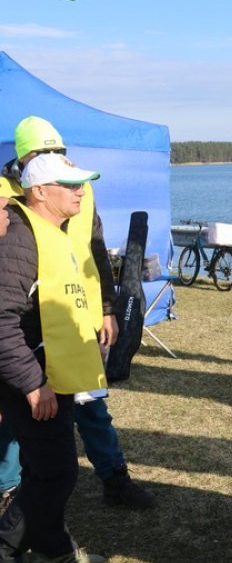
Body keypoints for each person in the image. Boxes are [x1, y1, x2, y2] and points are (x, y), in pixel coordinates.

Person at [0, 116, 156, 511]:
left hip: (77, 317)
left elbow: (95, 250)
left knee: (90, 404)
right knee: (19, 411)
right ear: (24, 157)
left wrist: (107, 308)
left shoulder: (78, 189)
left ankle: (113, 477)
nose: (56, 157)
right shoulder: (5, 196)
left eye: (60, 151)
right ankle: (14, 490)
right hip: (29, 328)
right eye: (45, 152)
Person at [0, 152, 111, 563]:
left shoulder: (54, 231)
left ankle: (51, 549)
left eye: (81, 183)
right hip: (30, 377)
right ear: (40, 191)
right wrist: (32, 383)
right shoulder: (21, 238)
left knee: (47, 467)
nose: (80, 191)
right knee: (56, 472)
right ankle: (2, 559)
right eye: (70, 185)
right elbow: (2, 321)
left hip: (54, 371)